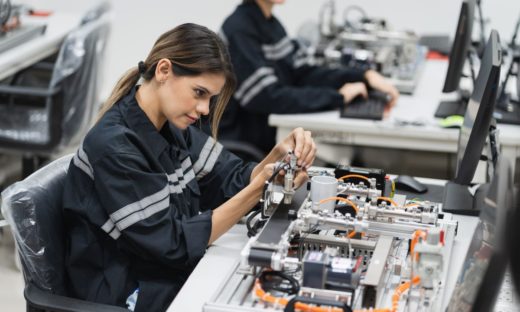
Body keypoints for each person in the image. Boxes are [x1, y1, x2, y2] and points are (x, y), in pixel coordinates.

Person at [62, 23, 316, 312]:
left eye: (210, 98)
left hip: (161, 272)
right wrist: (259, 189)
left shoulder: (171, 126)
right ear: (163, 71)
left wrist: (276, 157)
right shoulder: (116, 146)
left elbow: (228, 178)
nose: (205, 109)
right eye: (199, 92)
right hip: (127, 290)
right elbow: (174, 243)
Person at [218, 0, 400, 154]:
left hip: (267, 134)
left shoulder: (271, 24)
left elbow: (303, 73)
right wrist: (338, 97)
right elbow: (267, 96)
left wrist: (363, 76)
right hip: (244, 146)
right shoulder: (240, 29)